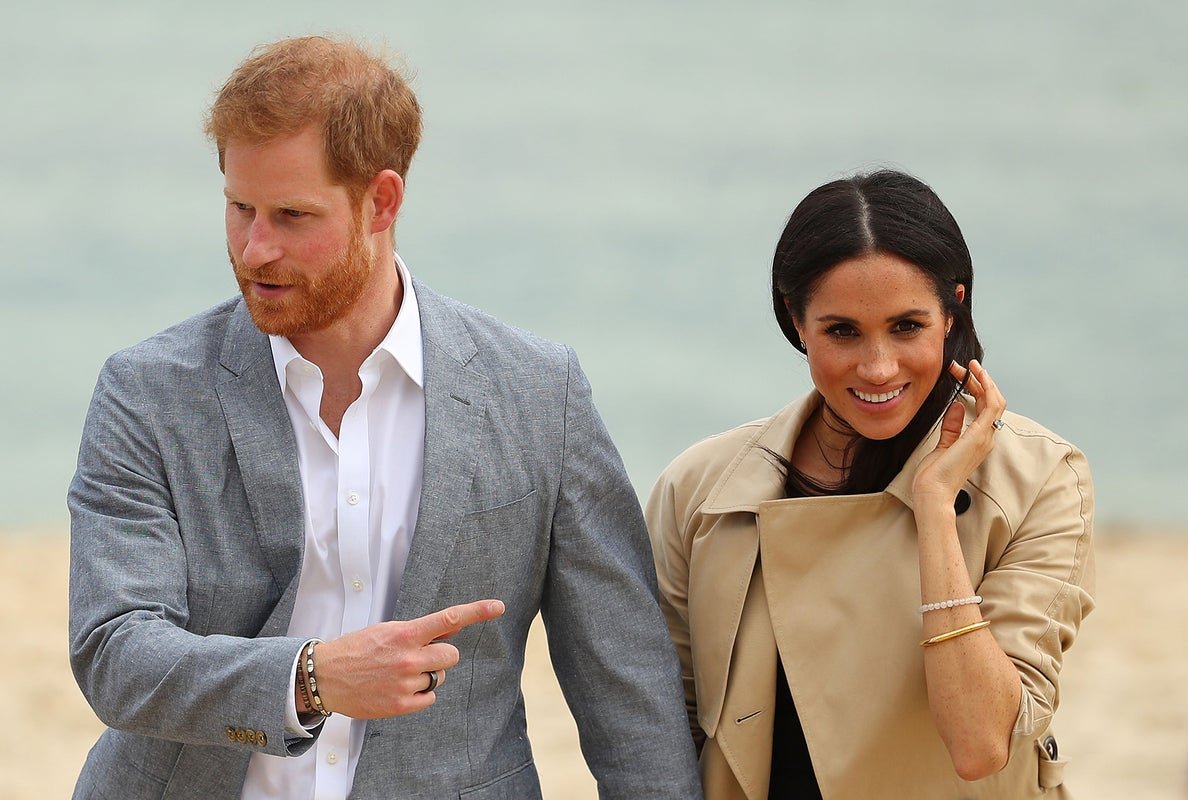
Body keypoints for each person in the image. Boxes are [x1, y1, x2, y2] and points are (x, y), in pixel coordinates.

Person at [68, 35, 701, 800]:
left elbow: (626, 687)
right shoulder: (148, 393)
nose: (254, 248)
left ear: (383, 201)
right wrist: (310, 679)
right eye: (239, 208)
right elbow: (115, 653)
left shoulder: (539, 395)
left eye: (293, 215)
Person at [646, 170, 1096, 799]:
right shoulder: (700, 489)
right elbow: (658, 732)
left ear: (952, 311)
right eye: (842, 331)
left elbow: (981, 744)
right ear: (795, 321)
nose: (877, 366)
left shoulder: (1043, 478)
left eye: (906, 326)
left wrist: (934, 506)